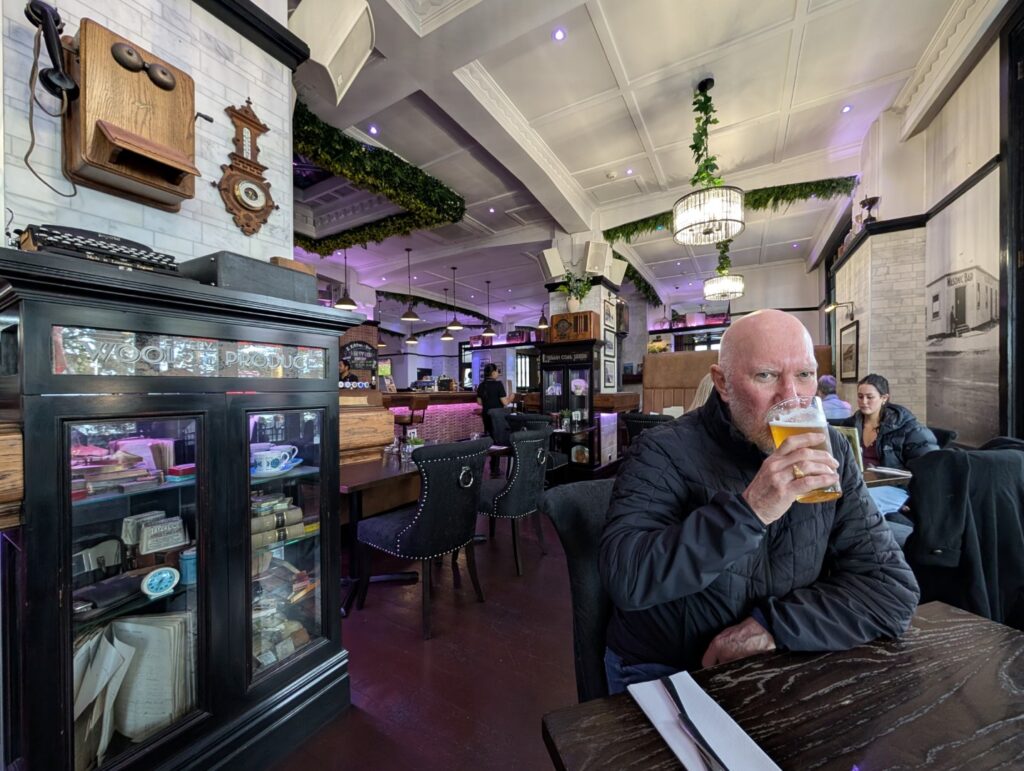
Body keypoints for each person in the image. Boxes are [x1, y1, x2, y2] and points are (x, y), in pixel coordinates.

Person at [599, 310, 919, 693]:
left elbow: (891, 589)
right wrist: (749, 513)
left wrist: (773, 625)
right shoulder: (662, 450)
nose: (792, 398)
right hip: (669, 664)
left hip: (780, 654)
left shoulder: (831, 448)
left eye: (805, 374)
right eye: (766, 376)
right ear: (722, 382)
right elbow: (628, 579)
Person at [837, 374, 938, 539]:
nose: (864, 402)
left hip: (895, 487)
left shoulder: (908, 428)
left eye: (870, 397)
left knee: (857, 502)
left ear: (884, 398)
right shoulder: (849, 425)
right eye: (860, 396)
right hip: (858, 483)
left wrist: (915, 499)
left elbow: (930, 466)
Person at [476, 363, 511, 474]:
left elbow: (479, 402)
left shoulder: (481, 385)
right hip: (497, 416)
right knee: (497, 440)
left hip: (486, 414)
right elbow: (505, 402)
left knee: (489, 437)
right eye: (497, 371)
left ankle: (487, 464)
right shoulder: (498, 385)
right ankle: (494, 467)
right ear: (493, 372)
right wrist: (511, 397)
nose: (498, 373)